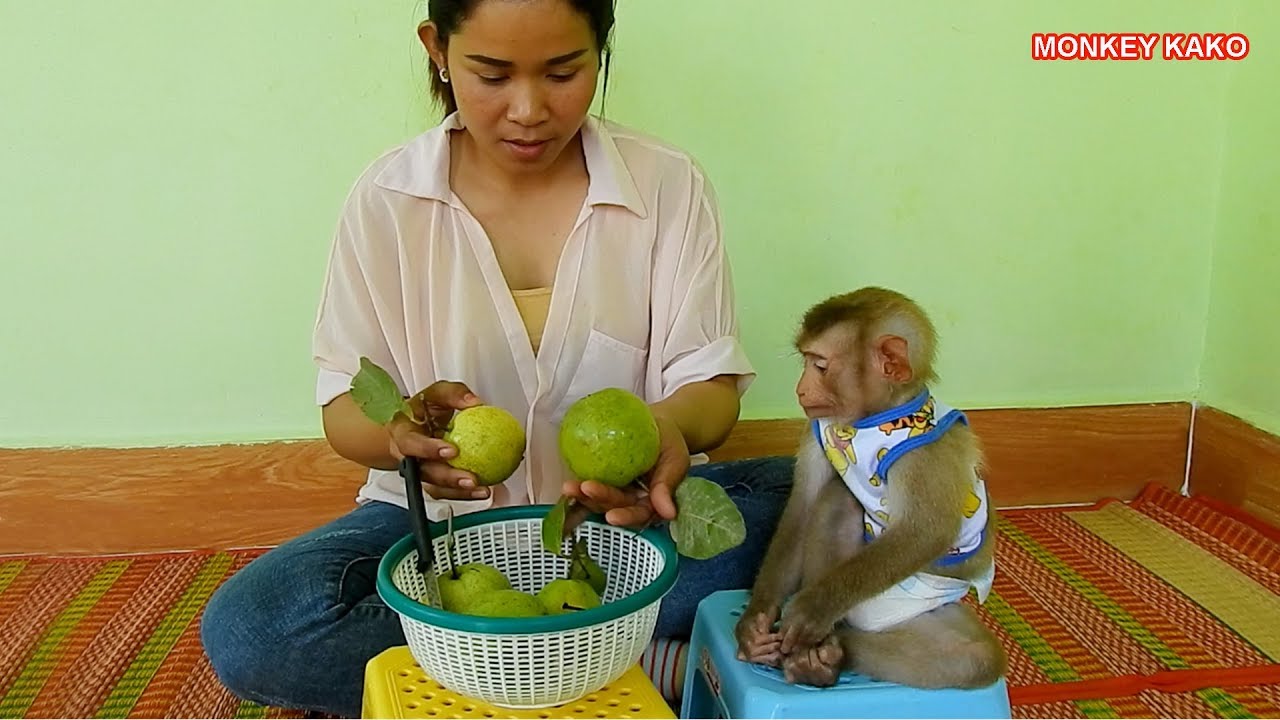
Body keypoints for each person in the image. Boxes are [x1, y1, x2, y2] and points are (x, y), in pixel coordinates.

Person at [199, 0, 793, 716]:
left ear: (600, 51)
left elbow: (710, 382)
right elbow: (343, 405)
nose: (528, 109)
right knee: (256, 630)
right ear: (437, 50)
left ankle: (492, 660)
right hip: (436, 535)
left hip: (623, 530)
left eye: (563, 72)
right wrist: (400, 438)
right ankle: (632, 656)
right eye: (491, 74)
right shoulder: (387, 200)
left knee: (839, 490)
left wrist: (668, 429)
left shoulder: (667, 184)